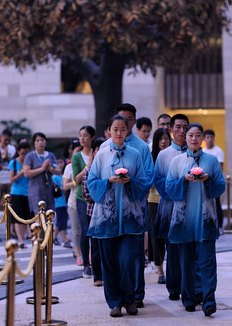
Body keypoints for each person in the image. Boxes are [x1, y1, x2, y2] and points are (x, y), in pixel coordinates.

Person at [86, 115, 149, 317]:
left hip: (130, 218)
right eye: (115, 129)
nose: (119, 133)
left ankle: (130, 299)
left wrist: (130, 182)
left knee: (128, 260)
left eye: (123, 129)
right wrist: (109, 181)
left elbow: (143, 181)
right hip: (106, 219)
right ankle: (114, 302)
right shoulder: (102, 154)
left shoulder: (135, 154)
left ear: (128, 130)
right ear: (109, 131)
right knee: (109, 263)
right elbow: (92, 181)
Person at [165, 123, 226, 317]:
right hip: (183, 222)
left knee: (208, 262)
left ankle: (209, 300)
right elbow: (169, 187)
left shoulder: (211, 160)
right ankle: (189, 298)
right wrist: (183, 179)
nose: (194, 138)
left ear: (202, 138)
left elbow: (220, 185)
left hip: (205, 219)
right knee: (186, 262)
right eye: (190, 135)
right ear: (185, 138)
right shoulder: (177, 162)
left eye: (198, 135)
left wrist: (208, 179)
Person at [101, 103, 154, 308]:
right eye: (118, 122)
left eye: (128, 121)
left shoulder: (140, 148)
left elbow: (147, 176)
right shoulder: (105, 148)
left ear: (133, 121)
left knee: (133, 255)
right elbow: (94, 177)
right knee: (113, 256)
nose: (122, 127)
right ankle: (116, 298)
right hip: (110, 210)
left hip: (133, 207)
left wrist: (132, 186)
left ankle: (135, 293)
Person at [153, 113, 197, 301]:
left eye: (185, 127)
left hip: (191, 206)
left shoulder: (195, 152)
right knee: (172, 247)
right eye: (178, 127)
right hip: (170, 206)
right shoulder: (164, 155)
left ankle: (191, 285)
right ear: (170, 129)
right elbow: (159, 181)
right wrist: (178, 189)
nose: (181, 131)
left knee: (191, 247)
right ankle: (173, 286)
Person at [72, 125, 96, 278]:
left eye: (85, 135)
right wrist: (89, 164)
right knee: (85, 229)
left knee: (95, 230)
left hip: (96, 197)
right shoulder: (76, 156)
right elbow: (77, 179)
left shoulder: (98, 152)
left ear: (92, 137)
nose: (82, 138)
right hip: (82, 197)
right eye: (80, 135)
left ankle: (96, 262)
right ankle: (86, 264)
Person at [81, 137, 106, 287]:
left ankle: (108, 274)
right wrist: (104, 192)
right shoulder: (88, 171)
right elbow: (86, 194)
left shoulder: (110, 169)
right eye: (98, 150)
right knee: (95, 246)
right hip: (93, 212)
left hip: (110, 212)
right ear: (94, 152)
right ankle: (97, 276)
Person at [148, 128, 171, 284]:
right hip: (154, 201)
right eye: (160, 139)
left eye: (166, 138)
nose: (163, 142)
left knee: (171, 236)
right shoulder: (150, 158)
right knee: (156, 237)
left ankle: (173, 269)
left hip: (170, 201)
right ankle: (160, 270)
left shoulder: (173, 157)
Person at [23, 132, 61, 216]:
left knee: (49, 214)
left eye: (42, 140)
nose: (40, 142)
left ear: (45, 142)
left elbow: (59, 170)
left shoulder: (50, 155)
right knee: (38, 214)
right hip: (35, 189)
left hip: (48, 188)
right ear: (34, 143)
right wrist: (42, 168)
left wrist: (50, 168)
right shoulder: (30, 156)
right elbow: (26, 173)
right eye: (37, 140)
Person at [8, 141, 32, 248]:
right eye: (22, 153)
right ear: (18, 152)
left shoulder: (31, 162)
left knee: (26, 218)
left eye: (26, 153)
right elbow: (11, 179)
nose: (24, 156)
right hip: (17, 193)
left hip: (29, 193)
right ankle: (20, 240)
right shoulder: (13, 163)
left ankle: (22, 238)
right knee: (18, 218)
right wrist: (22, 172)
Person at [63, 140, 82, 264]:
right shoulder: (69, 166)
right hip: (74, 202)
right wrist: (76, 181)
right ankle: (78, 252)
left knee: (87, 230)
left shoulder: (87, 163)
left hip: (87, 201)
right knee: (76, 230)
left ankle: (87, 252)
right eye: (76, 151)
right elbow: (65, 186)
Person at [203, 129, 225, 232]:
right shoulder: (203, 151)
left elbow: (220, 168)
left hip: (214, 181)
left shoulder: (218, 151)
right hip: (204, 182)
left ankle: (219, 225)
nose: (210, 139)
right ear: (204, 139)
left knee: (217, 203)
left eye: (211, 137)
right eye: (208, 137)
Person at [52, 157, 72, 248]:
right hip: (59, 202)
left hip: (65, 202)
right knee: (62, 221)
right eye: (57, 163)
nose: (60, 165)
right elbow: (55, 189)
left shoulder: (65, 175)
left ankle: (54, 237)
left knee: (60, 220)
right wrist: (64, 187)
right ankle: (65, 239)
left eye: (61, 162)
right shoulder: (54, 177)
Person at [0, 129, 16, 209]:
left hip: (9, 179)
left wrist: (6, 155)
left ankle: (10, 221)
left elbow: (13, 163)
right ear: (1, 137)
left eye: (9, 140)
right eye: (5, 140)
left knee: (10, 205)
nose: (7, 142)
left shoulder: (12, 148)